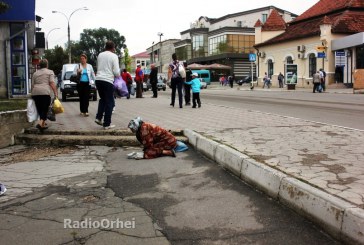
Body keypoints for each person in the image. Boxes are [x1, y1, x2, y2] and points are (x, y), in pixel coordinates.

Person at [94, 40, 120, 130]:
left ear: (106, 47)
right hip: (107, 81)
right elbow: (116, 72)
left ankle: (98, 117)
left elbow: (98, 67)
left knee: (103, 99)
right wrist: (118, 76)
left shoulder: (100, 55)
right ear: (113, 48)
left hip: (98, 80)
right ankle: (107, 124)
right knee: (110, 102)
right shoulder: (114, 56)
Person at [31, 59, 58, 130]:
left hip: (35, 93)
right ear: (47, 65)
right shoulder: (50, 72)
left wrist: (32, 93)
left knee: (40, 109)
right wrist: (55, 92)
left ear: (39, 65)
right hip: (45, 92)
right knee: (45, 109)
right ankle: (40, 123)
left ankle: (42, 124)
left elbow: (32, 85)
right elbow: (52, 83)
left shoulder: (35, 73)